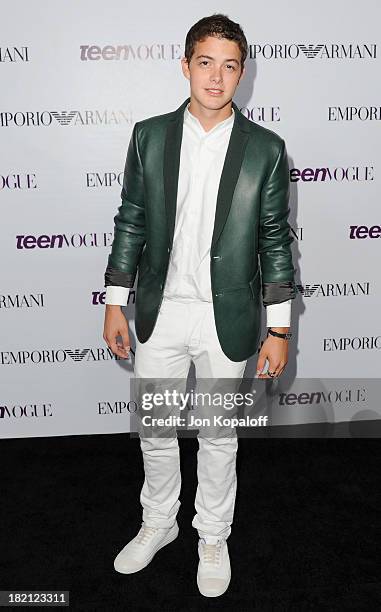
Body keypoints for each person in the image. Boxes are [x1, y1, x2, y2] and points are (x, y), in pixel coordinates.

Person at [103, 13, 296, 598]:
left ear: (243, 74)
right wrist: (116, 299)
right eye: (205, 62)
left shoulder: (265, 148)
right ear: (186, 66)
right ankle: (158, 523)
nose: (216, 77)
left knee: (218, 435)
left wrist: (280, 328)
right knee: (156, 431)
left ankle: (212, 534)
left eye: (229, 65)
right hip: (160, 312)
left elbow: (274, 239)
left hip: (226, 316)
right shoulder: (150, 135)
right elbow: (131, 219)